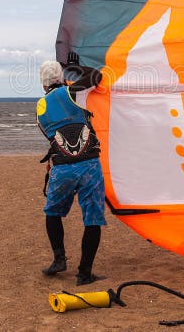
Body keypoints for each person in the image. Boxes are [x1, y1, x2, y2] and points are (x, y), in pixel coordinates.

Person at [36, 55, 106, 286]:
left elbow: (51, 135)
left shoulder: (40, 107)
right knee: (92, 219)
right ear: (62, 78)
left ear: (43, 84)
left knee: (53, 213)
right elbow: (96, 76)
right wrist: (73, 66)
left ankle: (59, 259)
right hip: (88, 166)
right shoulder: (71, 92)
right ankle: (84, 274)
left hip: (61, 168)